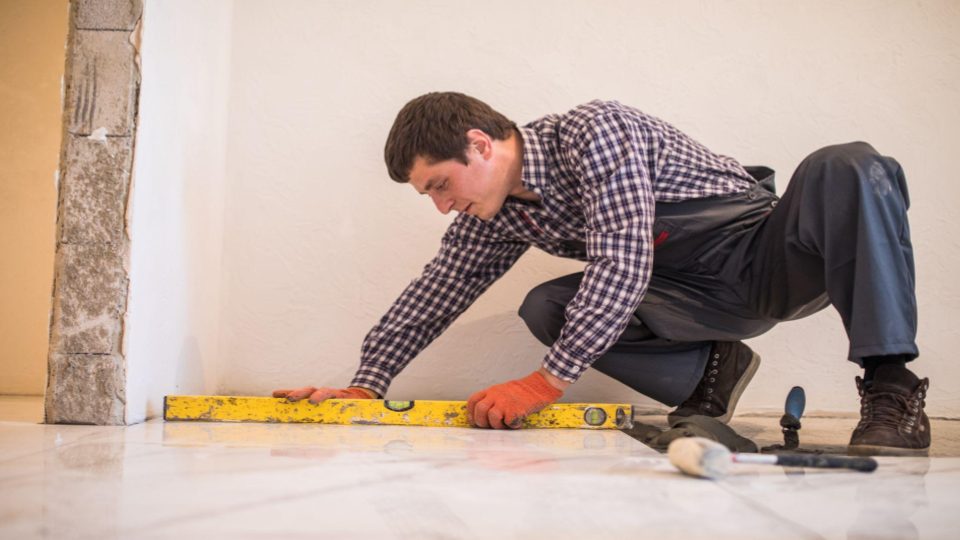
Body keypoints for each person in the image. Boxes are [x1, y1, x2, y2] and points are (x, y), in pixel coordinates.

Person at [273, 92, 929, 456]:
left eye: (440, 185)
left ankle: (891, 387)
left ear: (478, 143)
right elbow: (436, 292)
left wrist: (545, 382)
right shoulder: (494, 215)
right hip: (691, 297)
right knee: (547, 306)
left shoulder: (594, 131)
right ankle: (714, 371)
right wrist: (367, 382)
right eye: (429, 196)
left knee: (846, 163)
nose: (442, 206)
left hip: (770, 259)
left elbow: (622, 256)